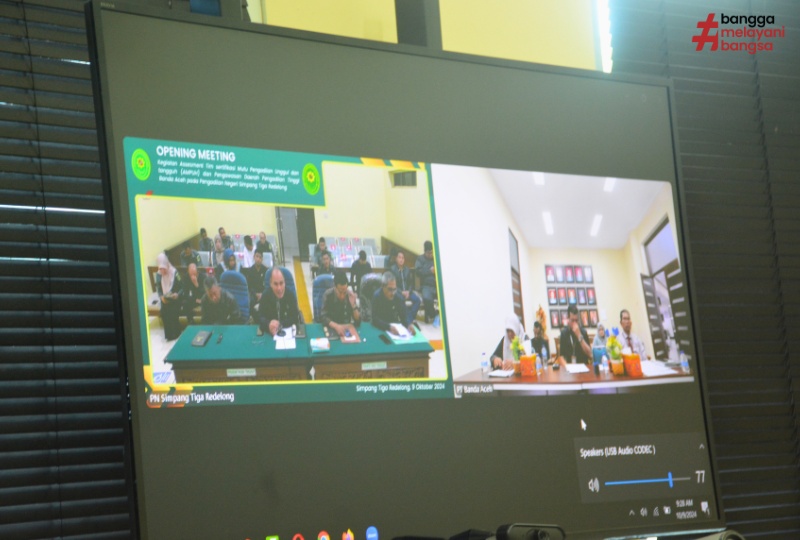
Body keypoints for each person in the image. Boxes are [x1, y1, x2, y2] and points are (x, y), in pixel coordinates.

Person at [255, 267, 300, 336]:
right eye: (275, 284)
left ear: (285, 282)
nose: (279, 288)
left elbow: (295, 317)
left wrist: (280, 324)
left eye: (281, 283)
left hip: (288, 334)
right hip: (270, 335)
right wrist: (268, 324)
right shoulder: (265, 296)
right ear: (271, 284)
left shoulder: (290, 295)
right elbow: (260, 317)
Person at [371, 272, 416, 336]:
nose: (392, 293)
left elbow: (404, 314)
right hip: (380, 327)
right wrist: (388, 327)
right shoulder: (377, 296)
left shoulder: (397, 296)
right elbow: (374, 319)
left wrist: (408, 324)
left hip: (394, 327)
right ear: (383, 286)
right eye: (390, 289)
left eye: (394, 289)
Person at [319, 270, 361, 338]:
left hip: (345, 331)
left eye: (344, 292)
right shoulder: (328, 295)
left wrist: (353, 305)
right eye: (340, 292)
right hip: (331, 329)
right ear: (335, 287)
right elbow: (323, 317)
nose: (342, 296)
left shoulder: (350, 295)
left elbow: (358, 321)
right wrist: (336, 326)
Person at [155, 253, 183, 340]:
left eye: (164, 268)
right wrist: (161, 297)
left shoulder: (175, 273)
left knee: (172, 310)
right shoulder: (159, 275)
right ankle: (169, 335)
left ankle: (176, 333)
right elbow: (159, 289)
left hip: (175, 299)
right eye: (161, 269)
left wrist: (177, 294)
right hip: (165, 299)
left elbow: (182, 287)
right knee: (164, 311)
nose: (163, 271)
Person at [390, 250, 421, 326]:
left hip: (408, 292)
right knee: (401, 300)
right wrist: (401, 292)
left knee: (417, 300)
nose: (401, 259)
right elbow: (393, 285)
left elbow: (411, 284)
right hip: (398, 292)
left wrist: (408, 292)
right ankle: (407, 320)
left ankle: (409, 319)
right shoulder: (392, 269)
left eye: (403, 258)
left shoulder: (407, 269)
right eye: (399, 257)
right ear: (396, 259)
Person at [414, 240, 437, 323]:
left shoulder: (435, 259)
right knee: (427, 298)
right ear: (425, 252)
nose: (430, 255)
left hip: (437, 285)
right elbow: (418, 272)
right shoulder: (420, 259)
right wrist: (429, 271)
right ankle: (433, 315)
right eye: (428, 253)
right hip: (426, 286)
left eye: (431, 253)